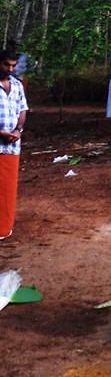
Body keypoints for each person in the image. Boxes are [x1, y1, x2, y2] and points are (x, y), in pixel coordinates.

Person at [0, 49, 29, 240]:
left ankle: (3, 228)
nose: (10, 69)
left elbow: (22, 110)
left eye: (13, 65)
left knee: (7, 189)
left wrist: (18, 130)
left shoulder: (17, 85)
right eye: (6, 65)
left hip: (12, 146)